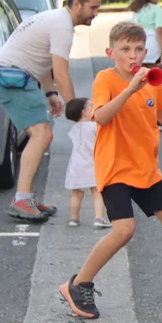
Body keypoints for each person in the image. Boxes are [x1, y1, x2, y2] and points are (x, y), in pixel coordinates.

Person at [59, 21, 162, 321]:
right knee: (124, 230)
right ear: (111, 53)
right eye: (125, 49)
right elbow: (101, 117)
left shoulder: (152, 80)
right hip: (115, 167)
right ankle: (79, 284)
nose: (132, 56)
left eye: (138, 49)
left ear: (146, 52)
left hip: (145, 167)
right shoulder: (105, 79)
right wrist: (131, 89)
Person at [0, 0, 102, 222]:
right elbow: (61, 72)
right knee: (41, 135)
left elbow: (43, 59)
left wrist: (50, 93)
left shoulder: (56, 18)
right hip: (12, 77)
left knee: (41, 135)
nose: (95, 13)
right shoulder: (62, 26)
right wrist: (77, 112)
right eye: (92, 8)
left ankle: (26, 196)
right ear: (77, 3)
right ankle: (21, 199)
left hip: (14, 75)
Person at [63, 97, 109, 229]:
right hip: (92, 164)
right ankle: (99, 218)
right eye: (92, 106)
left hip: (76, 165)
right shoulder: (94, 127)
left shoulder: (73, 129)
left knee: (76, 193)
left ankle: (74, 218)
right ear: (85, 112)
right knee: (97, 192)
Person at [128, 0, 162, 69]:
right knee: (155, 75)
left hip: (139, 48)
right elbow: (160, 31)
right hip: (153, 48)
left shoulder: (137, 10)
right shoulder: (157, 9)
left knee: (140, 75)